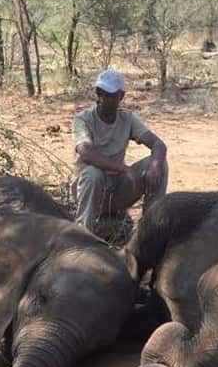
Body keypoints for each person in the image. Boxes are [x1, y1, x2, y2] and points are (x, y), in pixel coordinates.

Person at [72, 68, 168, 241]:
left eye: (111, 95)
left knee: (158, 164)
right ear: (97, 93)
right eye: (102, 93)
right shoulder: (83, 119)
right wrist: (123, 169)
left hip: (116, 188)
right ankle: (83, 236)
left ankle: (149, 228)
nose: (105, 99)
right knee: (93, 173)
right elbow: (86, 153)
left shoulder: (128, 118)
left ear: (121, 96)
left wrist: (155, 165)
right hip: (90, 189)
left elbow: (158, 144)